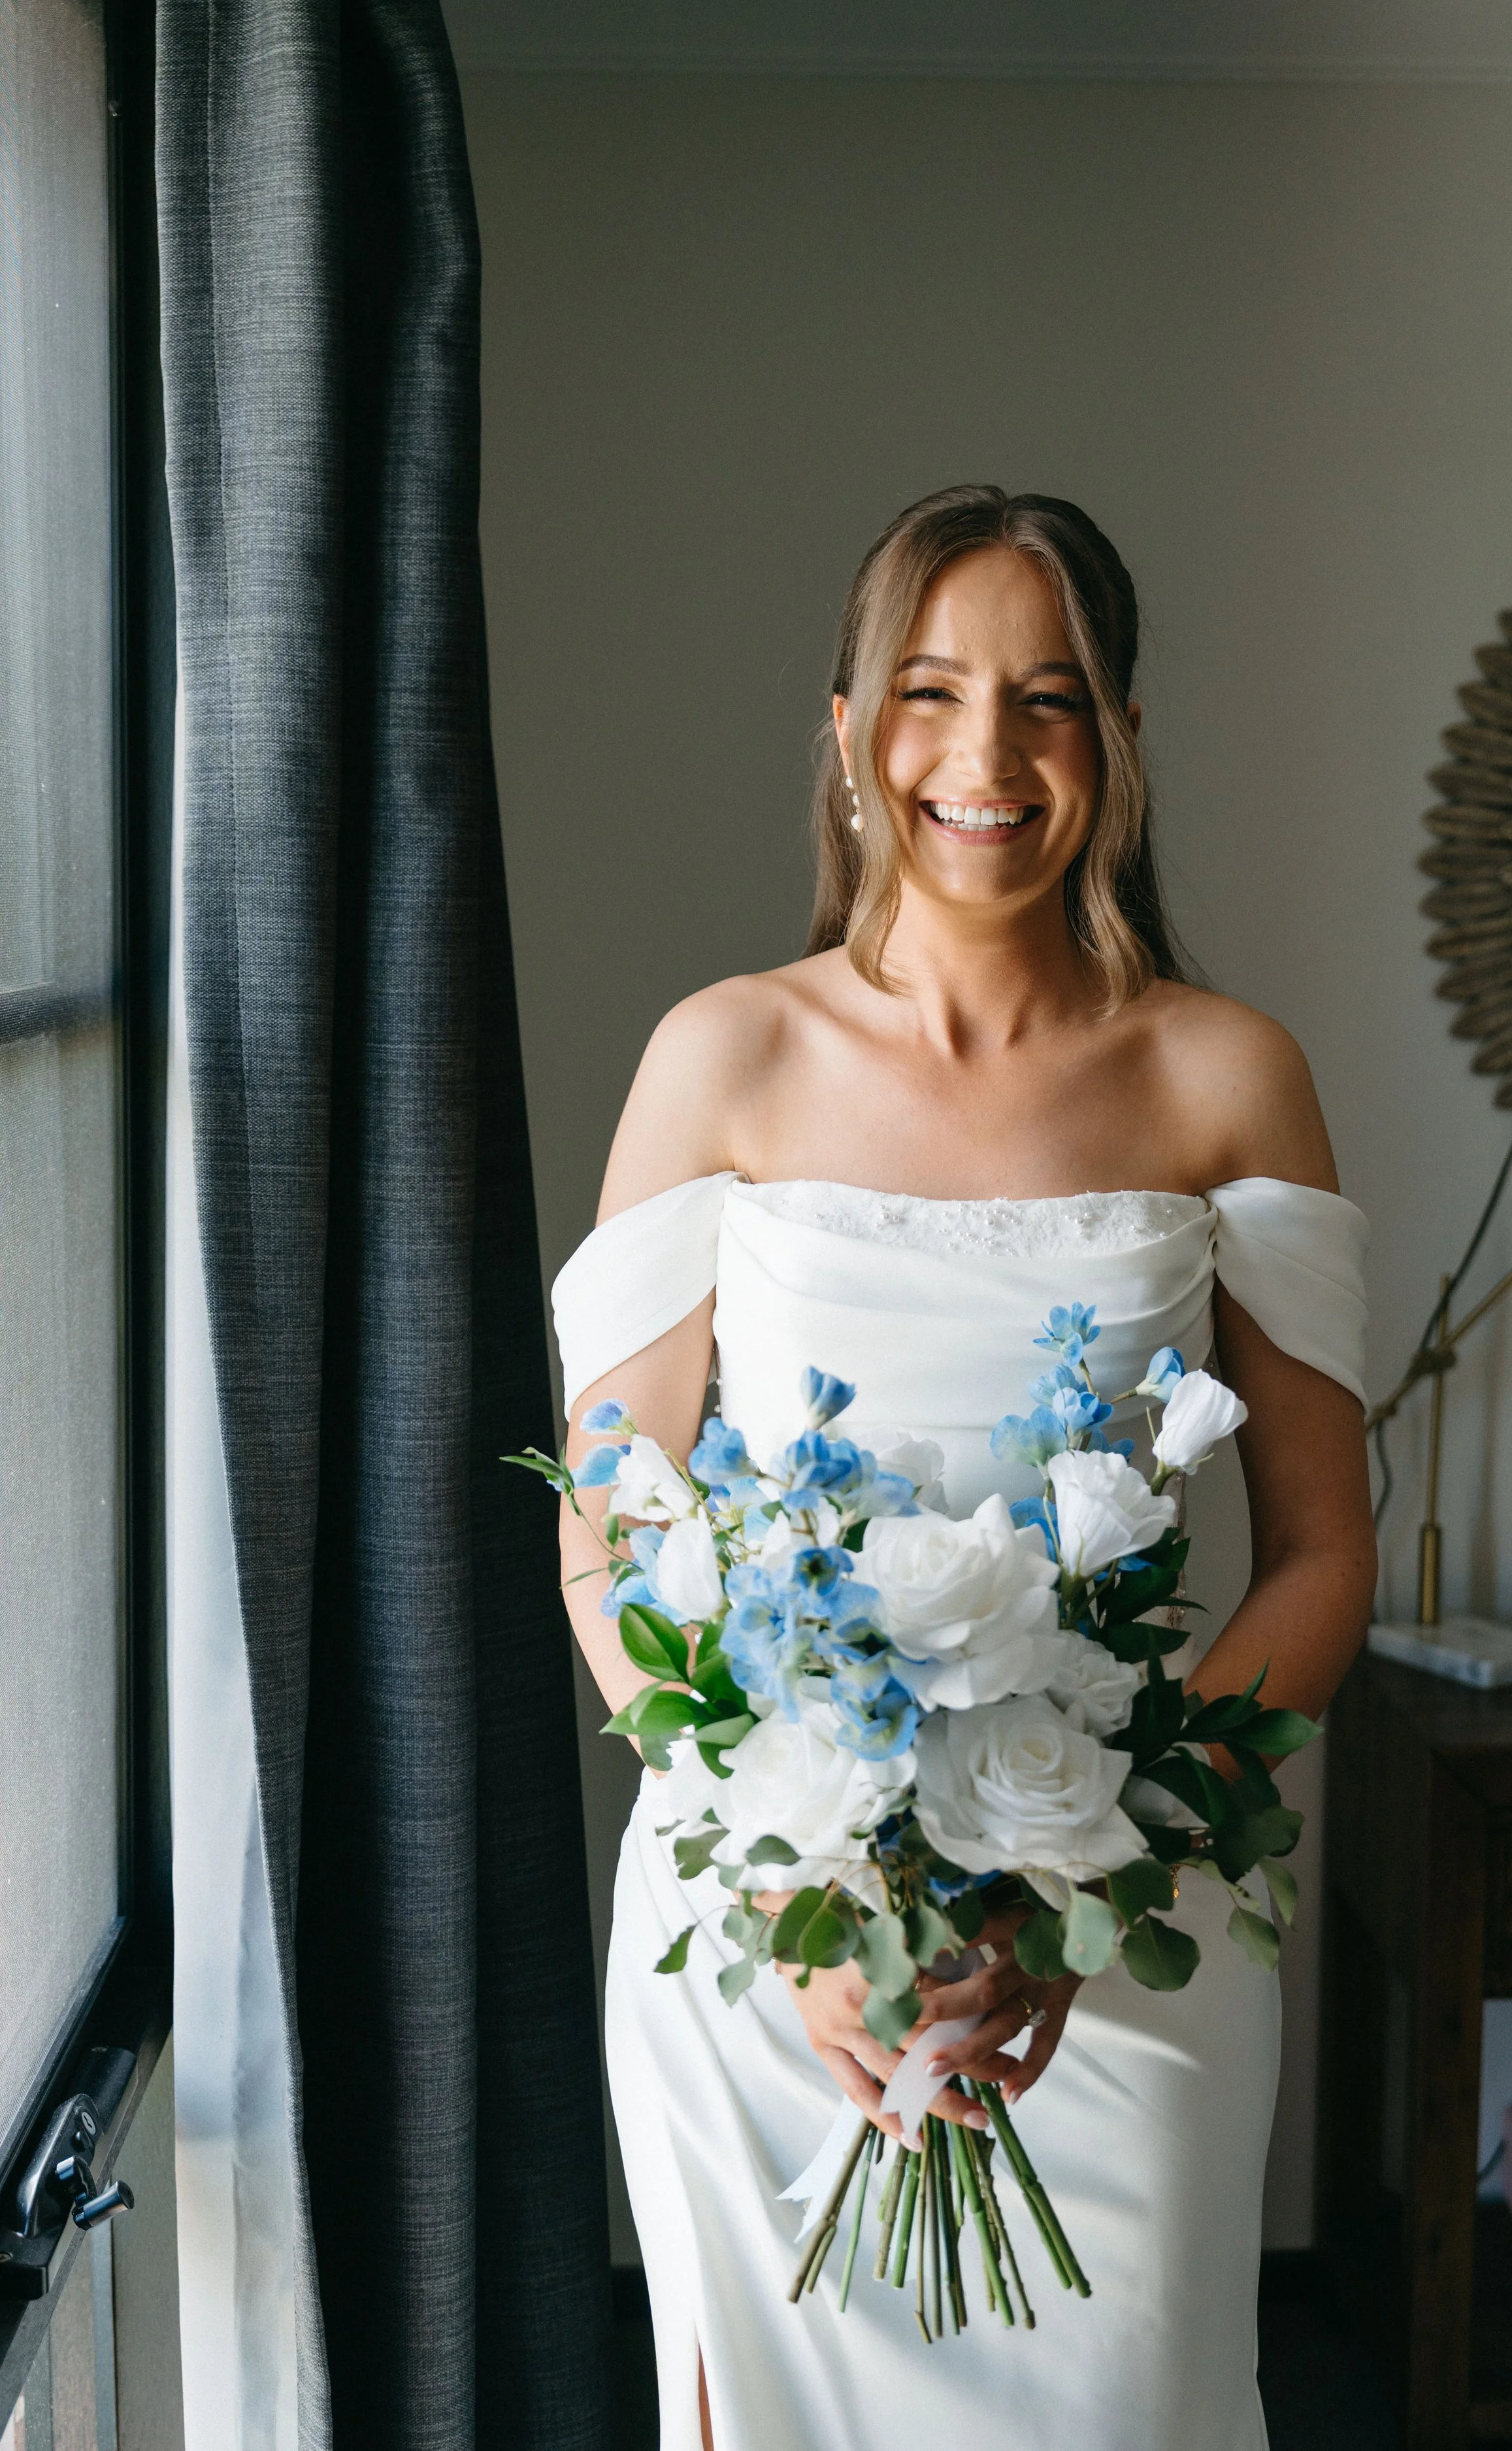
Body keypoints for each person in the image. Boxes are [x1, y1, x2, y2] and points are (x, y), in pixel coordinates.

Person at [551, 484, 1375, 2451]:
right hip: (770, 1944)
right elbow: (612, 1537)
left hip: (1120, 1949)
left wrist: (1106, 1844)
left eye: (1050, 696)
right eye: (929, 688)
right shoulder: (717, 1061)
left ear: (1119, 742)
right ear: (843, 729)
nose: (985, 755)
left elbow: (1322, 1551)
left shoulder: (1225, 1073)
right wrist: (797, 1901)